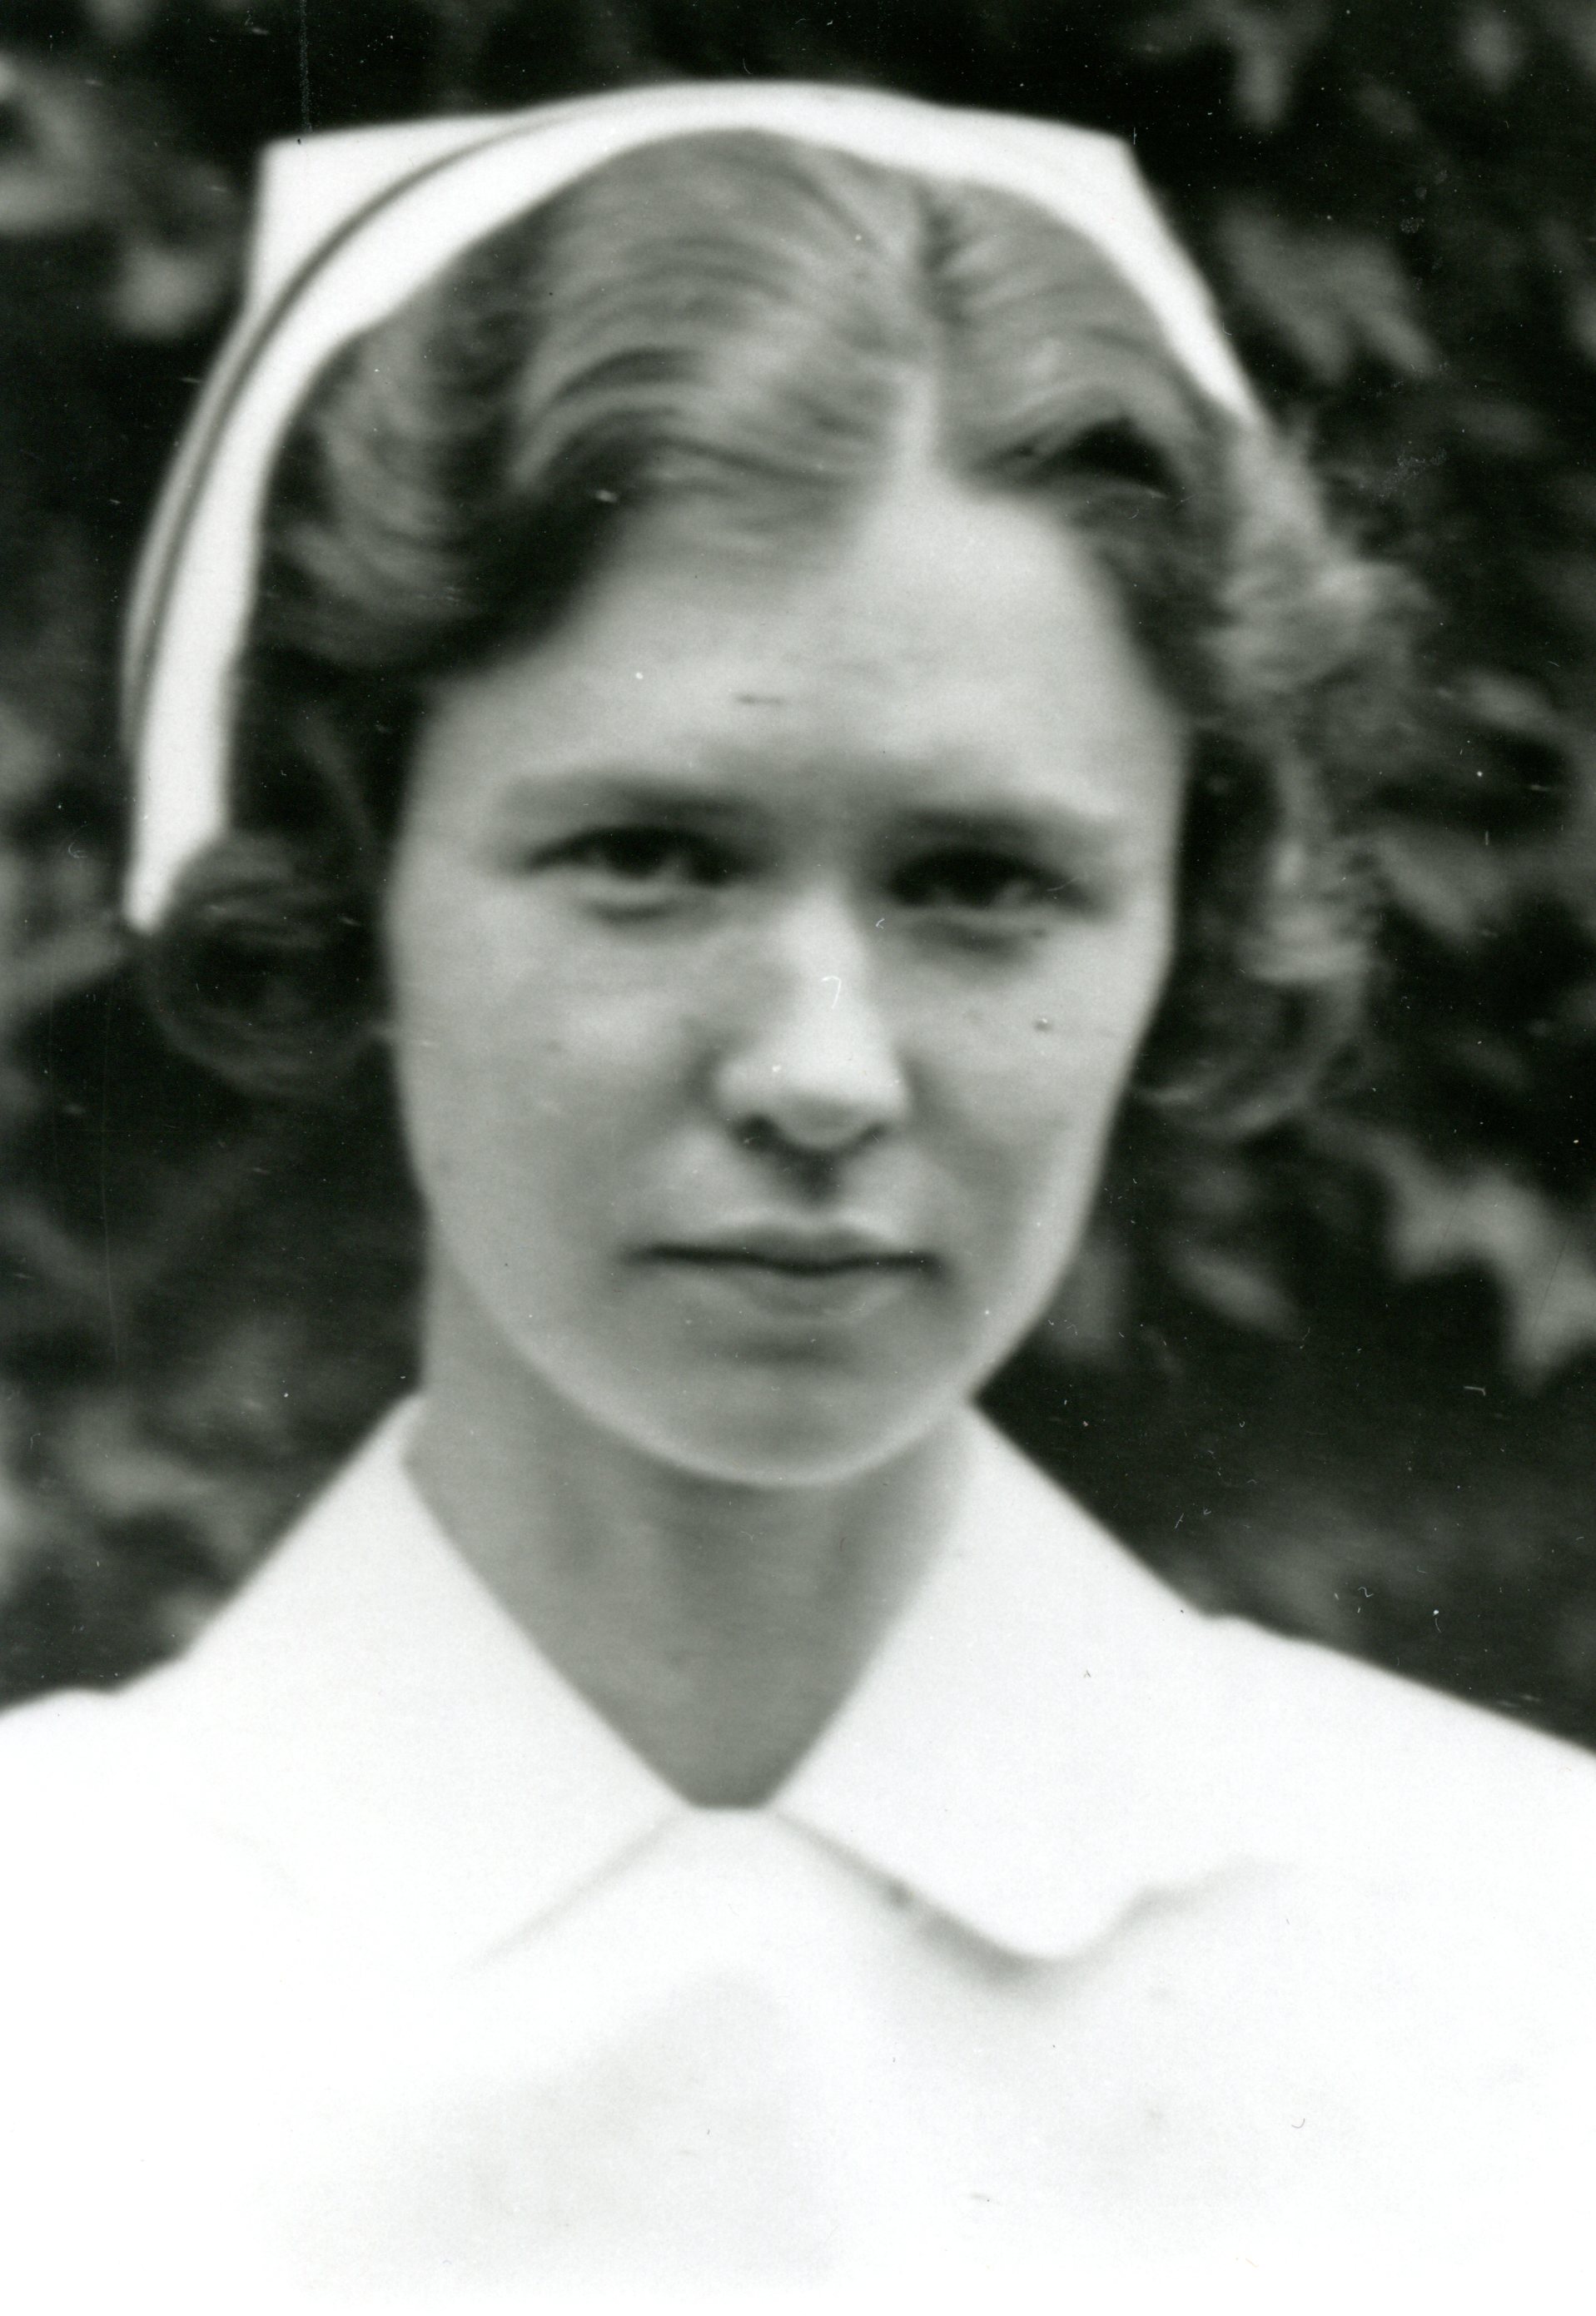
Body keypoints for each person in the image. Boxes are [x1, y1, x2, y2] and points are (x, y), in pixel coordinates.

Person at [2, 77, 1595, 2310]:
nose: (821, 1071)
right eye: (647, 856)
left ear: (1186, 930)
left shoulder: (1528, 1973)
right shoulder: (47, 1972)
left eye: (983, 884)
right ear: (355, 878)